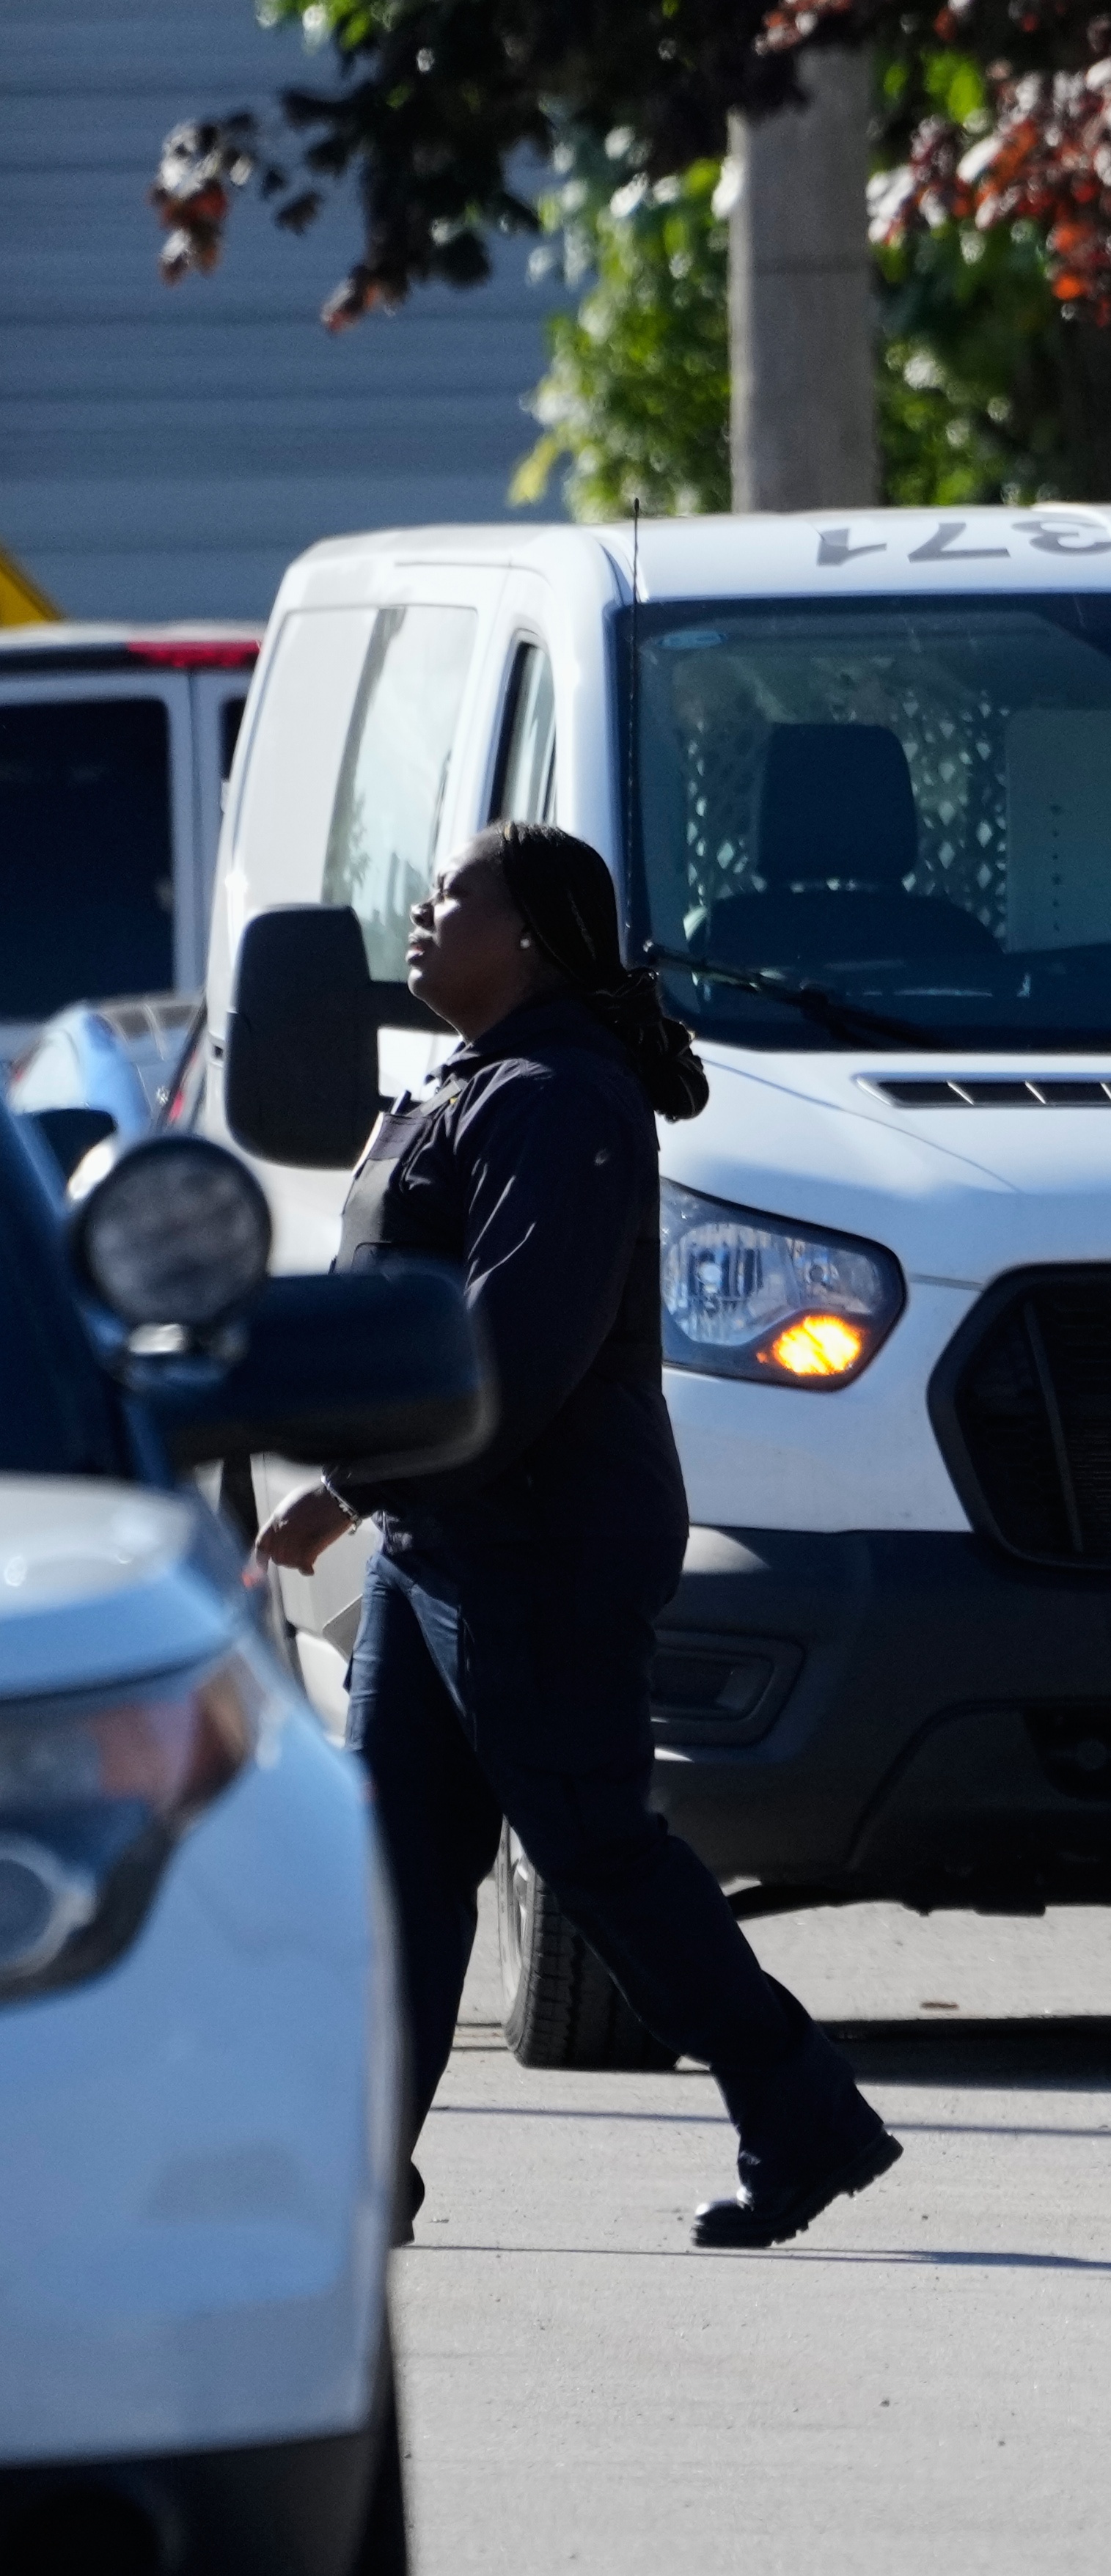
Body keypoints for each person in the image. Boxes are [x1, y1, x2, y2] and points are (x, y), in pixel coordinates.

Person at [252, 823, 906, 2253]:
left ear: (536, 933)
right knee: (401, 1867)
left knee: (597, 1850)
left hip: (535, 1547)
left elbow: (513, 1349)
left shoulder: (561, 1100)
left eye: (454, 897)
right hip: (448, 1536)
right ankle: (362, 2167)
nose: (421, 916)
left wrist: (349, 1481)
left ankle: (802, 2114)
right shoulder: (476, 1084)